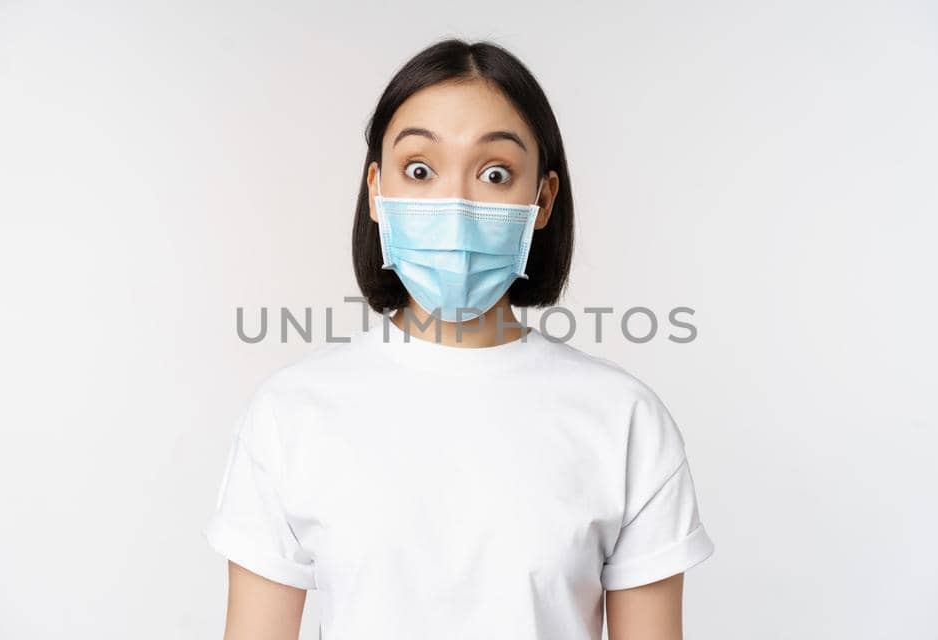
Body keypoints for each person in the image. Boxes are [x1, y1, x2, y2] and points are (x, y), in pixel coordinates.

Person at [202, 39, 714, 639]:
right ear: (376, 191)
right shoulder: (291, 413)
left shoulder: (624, 420)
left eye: (495, 173)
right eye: (419, 170)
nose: (455, 203)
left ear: (542, 201)